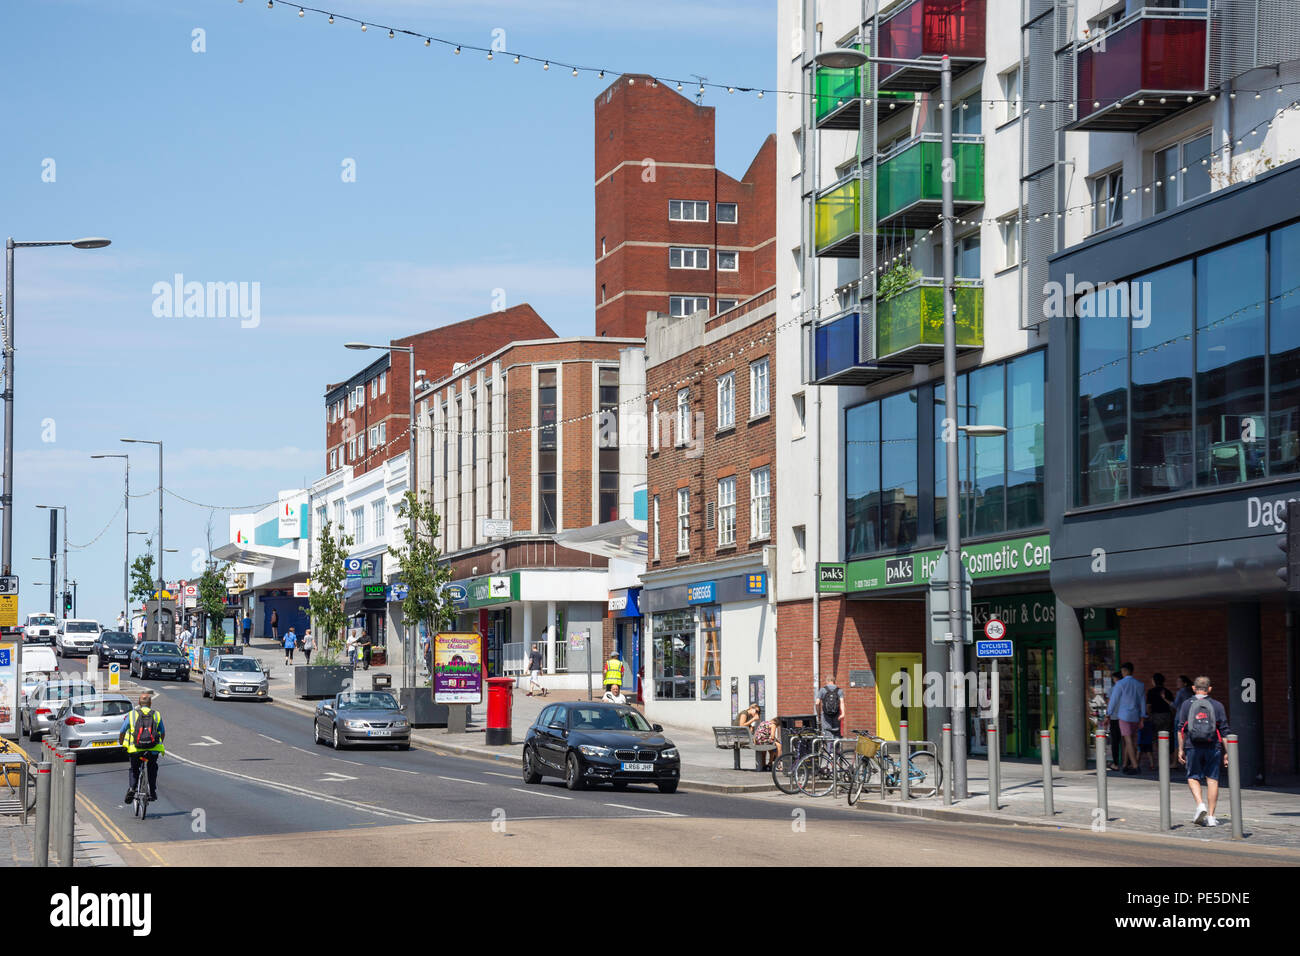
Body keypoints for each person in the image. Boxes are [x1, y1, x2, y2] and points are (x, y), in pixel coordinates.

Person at [1176, 675, 1230, 827]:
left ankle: (1200, 805)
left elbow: (1181, 728)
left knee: (1193, 776)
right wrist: (1228, 752)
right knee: (1212, 779)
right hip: (1213, 746)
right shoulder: (1218, 705)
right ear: (1209, 689)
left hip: (1192, 745)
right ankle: (1212, 817)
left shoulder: (1187, 704)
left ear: (1193, 688)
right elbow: (1224, 730)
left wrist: (1180, 749)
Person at [119, 691, 165, 804]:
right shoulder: (156, 714)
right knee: (152, 768)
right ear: (150, 703)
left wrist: (121, 743)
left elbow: (122, 731)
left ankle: (132, 789)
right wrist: (159, 743)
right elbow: (162, 732)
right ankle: (152, 792)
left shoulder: (132, 715)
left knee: (134, 770)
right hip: (152, 749)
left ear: (139, 703)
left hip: (136, 749)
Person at [1107, 662, 1146, 774]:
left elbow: (1113, 700)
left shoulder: (1120, 684)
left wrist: (1108, 714)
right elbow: (1142, 702)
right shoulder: (1140, 684)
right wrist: (1142, 717)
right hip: (1135, 715)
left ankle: (1135, 766)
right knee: (1131, 740)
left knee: (1127, 741)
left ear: (1124, 671)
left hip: (1124, 715)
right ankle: (1125, 764)